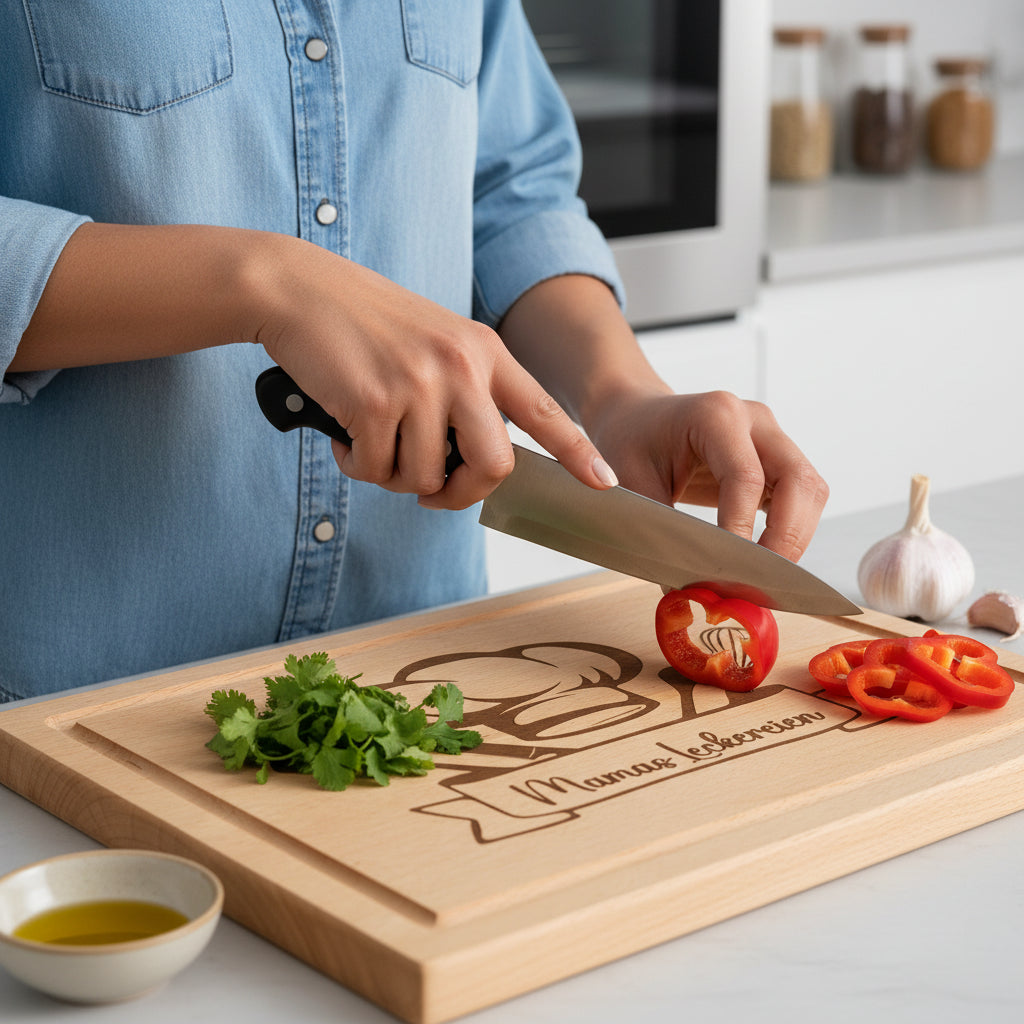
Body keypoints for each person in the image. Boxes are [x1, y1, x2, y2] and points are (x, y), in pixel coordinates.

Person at [0, 2, 828, 703]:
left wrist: (619, 394)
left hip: (423, 676)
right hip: (72, 703)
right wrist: (267, 283)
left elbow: (510, 187)